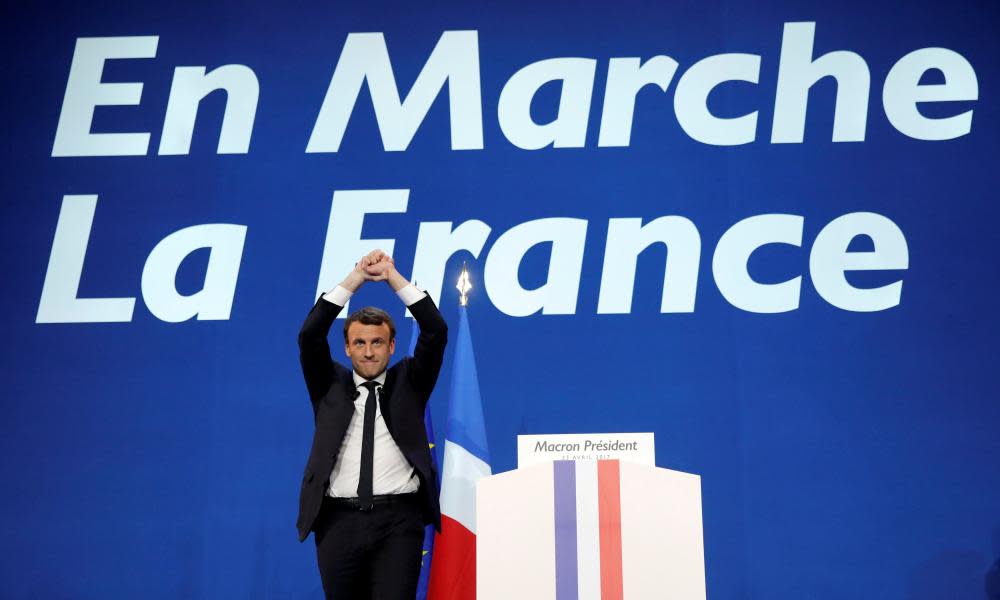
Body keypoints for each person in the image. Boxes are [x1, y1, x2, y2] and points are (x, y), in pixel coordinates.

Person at [296, 249, 447, 599]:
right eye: (359, 343)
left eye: (377, 342)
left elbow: (435, 331)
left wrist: (393, 277)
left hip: (398, 522)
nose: (368, 352)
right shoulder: (327, 384)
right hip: (337, 521)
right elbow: (310, 336)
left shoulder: (411, 382)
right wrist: (356, 279)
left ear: (392, 346)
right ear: (347, 349)